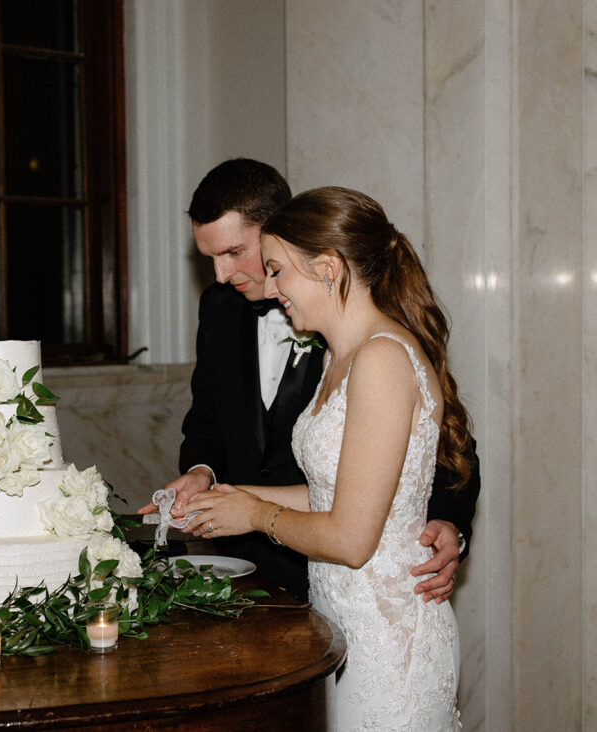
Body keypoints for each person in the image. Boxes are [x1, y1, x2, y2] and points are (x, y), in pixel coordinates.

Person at [184, 186, 466, 727]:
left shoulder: (382, 358)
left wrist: (255, 515)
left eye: (277, 270)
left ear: (328, 268)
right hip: (340, 622)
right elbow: (336, 492)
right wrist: (232, 496)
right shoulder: (344, 355)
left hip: (387, 640)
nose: (270, 287)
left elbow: (352, 540)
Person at [140, 159, 479, 604]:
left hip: (348, 572)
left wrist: (448, 522)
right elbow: (207, 415)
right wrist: (207, 480)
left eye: (235, 253)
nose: (222, 276)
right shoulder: (220, 308)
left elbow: (445, 439)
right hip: (244, 565)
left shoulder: (366, 337)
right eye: (210, 259)